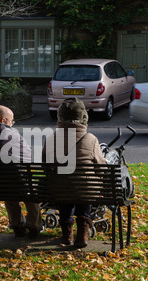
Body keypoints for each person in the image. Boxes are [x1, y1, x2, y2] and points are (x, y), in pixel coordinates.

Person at [42, 97, 106, 248]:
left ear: (60, 117)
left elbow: (45, 165)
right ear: (83, 117)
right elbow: (101, 167)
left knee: (64, 189)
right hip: (85, 191)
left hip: (59, 190)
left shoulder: (51, 139)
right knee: (84, 190)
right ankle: (83, 234)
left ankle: (67, 235)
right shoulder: (90, 139)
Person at [0, 105, 43, 238]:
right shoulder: (11, 135)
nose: (12, 124)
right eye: (12, 121)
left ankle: (17, 225)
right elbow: (30, 158)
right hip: (14, 186)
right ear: (4, 120)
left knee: (8, 183)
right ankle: (34, 225)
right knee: (27, 186)